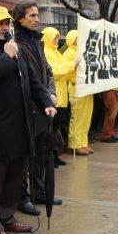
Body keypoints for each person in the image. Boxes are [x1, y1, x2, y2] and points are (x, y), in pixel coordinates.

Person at [0, 6, 56, 234]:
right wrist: (6, 57)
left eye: (7, 23)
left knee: (15, 178)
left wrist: (46, 101)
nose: (5, 27)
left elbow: (34, 81)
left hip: (20, 126)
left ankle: (8, 216)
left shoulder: (17, 51)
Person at [11, 0, 59, 214]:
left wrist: (51, 94)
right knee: (25, 156)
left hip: (41, 105)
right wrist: (42, 96)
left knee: (41, 152)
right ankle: (23, 197)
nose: (37, 19)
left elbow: (47, 71)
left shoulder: (37, 42)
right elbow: (25, 78)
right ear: (20, 19)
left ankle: (39, 193)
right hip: (26, 106)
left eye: (37, 15)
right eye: (32, 16)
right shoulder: (16, 45)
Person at [41, 27, 78, 164]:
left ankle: (54, 156)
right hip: (53, 97)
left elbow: (64, 72)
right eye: (54, 37)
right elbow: (55, 71)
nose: (57, 40)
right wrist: (72, 64)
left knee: (56, 129)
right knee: (50, 130)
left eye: (57, 37)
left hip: (61, 97)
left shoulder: (56, 52)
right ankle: (48, 158)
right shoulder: (45, 52)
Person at [63, 30, 94, 155]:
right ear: (71, 39)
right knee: (77, 118)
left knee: (86, 118)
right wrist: (74, 80)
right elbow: (66, 71)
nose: (79, 39)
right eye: (77, 37)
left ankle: (83, 143)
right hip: (76, 89)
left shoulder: (83, 51)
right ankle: (75, 145)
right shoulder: (69, 53)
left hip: (86, 89)